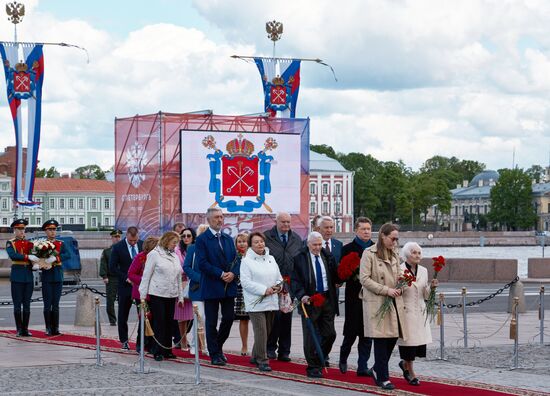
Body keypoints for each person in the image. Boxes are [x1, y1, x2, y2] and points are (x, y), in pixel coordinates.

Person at [359, 223, 407, 390]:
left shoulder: (394, 253)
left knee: (393, 337)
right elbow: (364, 279)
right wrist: (386, 290)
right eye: (392, 238)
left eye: (397, 239)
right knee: (381, 340)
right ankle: (383, 377)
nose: (395, 242)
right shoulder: (369, 253)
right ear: (383, 236)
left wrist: (403, 283)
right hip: (377, 301)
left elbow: (400, 273)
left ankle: (377, 368)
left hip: (393, 301)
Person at [292, 231, 340, 378]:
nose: (318, 247)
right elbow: (295, 281)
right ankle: (312, 367)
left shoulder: (327, 255)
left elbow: (334, 275)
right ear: (308, 244)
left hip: (326, 299)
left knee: (330, 334)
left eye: (320, 244)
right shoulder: (299, 258)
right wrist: (302, 296)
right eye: (315, 244)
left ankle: (319, 358)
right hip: (310, 300)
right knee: (311, 336)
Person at [195, 208, 238, 366]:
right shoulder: (202, 239)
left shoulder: (227, 238)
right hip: (212, 285)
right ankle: (214, 353)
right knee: (211, 321)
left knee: (228, 318)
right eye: (216, 218)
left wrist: (233, 273)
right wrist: (220, 274)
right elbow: (202, 263)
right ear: (209, 220)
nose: (220, 220)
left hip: (229, 285)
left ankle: (217, 346)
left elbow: (235, 260)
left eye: (221, 217)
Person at [240, 232, 283, 372]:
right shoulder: (246, 261)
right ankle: (262, 360)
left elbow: (278, 277)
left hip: (271, 301)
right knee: (261, 331)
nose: (260, 244)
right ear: (251, 245)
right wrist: (264, 290)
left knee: (267, 331)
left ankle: (254, 355)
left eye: (261, 241)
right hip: (255, 302)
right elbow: (245, 282)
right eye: (256, 242)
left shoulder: (271, 258)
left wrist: (278, 286)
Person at [139, 231, 184, 361]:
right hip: (157, 293)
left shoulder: (175, 255)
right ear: (166, 241)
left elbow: (179, 277)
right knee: (159, 322)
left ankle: (167, 350)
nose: (175, 246)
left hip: (171, 293)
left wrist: (180, 297)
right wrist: (142, 296)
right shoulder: (154, 254)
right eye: (173, 242)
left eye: (176, 243)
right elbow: (146, 275)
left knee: (170, 322)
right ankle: (157, 350)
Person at [397, 242, 437, 386]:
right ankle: (411, 372)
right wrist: (400, 285)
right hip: (406, 311)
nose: (417, 255)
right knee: (408, 344)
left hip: (419, 311)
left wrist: (431, 288)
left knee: (416, 345)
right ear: (407, 254)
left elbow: (424, 295)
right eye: (414, 252)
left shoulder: (424, 271)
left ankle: (405, 364)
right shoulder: (399, 270)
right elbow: (397, 291)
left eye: (419, 253)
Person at [339, 217, 375, 376]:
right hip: (354, 297)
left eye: (368, 229)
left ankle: (362, 366)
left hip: (371, 297)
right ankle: (343, 358)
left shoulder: (376, 248)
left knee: (367, 334)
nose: (366, 231)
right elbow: (341, 273)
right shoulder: (348, 249)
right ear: (356, 230)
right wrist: (351, 274)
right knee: (351, 332)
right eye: (363, 229)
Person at [264, 212, 302, 362]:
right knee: (273, 318)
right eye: (283, 222)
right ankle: (270, 348)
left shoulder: (296, 239)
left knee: (287, 318)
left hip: (290, 286)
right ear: (276, 221)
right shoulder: (267, 237)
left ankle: (285, 351)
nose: (286, 225)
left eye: (288, 222)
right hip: (272, 285)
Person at [109, 226, 143, 349]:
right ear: (126, 235)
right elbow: (112, 267)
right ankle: (124, 340)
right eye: (131, 241)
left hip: (140, 285)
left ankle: (141, 341)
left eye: (135, 241)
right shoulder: (118, 247)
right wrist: (126, 278)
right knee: (123, 314)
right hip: (125, 285)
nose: (133, 243)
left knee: (143, 314)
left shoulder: (142, 245)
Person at [127, 236, 159, 354]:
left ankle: (152, 344)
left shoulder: (158, 257)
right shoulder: (140, 257)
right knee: (144, 319)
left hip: (155, 293)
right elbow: (131, 274)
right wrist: (145, 279)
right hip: (141, 295)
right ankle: (141, 343)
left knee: (154, 320)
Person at [6, 219, 37, 337]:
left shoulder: (29, 243)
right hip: (17, 276)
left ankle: (25, 328)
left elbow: (35, 255)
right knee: (17, 305)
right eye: (19, 229)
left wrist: (36, 262)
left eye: (23, 228)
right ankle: (19, 329)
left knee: (27, 305)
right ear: (14, 230)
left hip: (28, 276)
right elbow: (13, 255)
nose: (21, 231)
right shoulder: (11, 243)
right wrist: (27, 256)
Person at [41, 220, 71, 336]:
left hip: (57, 275)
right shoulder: (41, 244)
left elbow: (68, 255)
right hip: (47, 276)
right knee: (47, 304)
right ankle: (48, 327)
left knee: (56, 304)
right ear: (45, 231)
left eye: (54, 229)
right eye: (50, 230)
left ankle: (56, 328)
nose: (53, 232)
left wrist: (57, 258)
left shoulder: (61, 243)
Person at [183, 223, 209, 355]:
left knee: (210, 319)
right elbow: (187, 267)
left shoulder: (213, 248)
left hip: (211, 289)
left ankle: (208, 346)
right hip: (197, 288)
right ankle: (194, 344)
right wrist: (200, 278)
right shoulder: (193, 248)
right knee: (200, 317)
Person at [174, 227, 196, 350]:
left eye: (188, 236)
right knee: (182, 316)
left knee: (194, 315)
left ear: (193, 237)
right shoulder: (177, 250)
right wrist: (187, 272)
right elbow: (178, 267)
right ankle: (182, 341)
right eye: (183, 236)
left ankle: (195, 341)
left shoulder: (197, 249)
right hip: (181, 284)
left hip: (195, 284)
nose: (186, 238)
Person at [99, 229, 122, 326]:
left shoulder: (124, 249)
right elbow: (103, 263)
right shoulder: (107, 251)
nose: (117, 239)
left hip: (122, 278)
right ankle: (112, 320)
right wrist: (104, 276)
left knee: (123, 300)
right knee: (110, 301)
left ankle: (122, 319)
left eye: (118, 237)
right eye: (115, 237)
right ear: (111, 238)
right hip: (111, 278)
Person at [233, 232, 250, 356]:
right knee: (243, 319)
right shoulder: (234, 257)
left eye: (244, 241)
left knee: (258, 320)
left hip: (253, 291)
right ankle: (244, 346)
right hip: (240, 291)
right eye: (239, 241)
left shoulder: (253, 256)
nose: (242, 243)